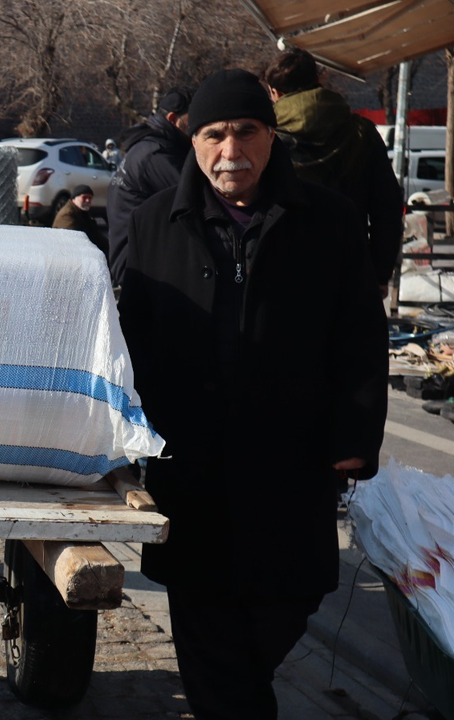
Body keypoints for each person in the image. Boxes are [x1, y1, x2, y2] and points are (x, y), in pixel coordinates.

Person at [117, 68, 387, 720]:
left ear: (270, 136)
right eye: (213, 134)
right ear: (194, 141)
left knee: (285, 604)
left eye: (244, 132)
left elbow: (359, 334)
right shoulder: (157, 221)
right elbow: (131, 336)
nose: (229, 149)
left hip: (291, 461)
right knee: (210, 638)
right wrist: (125, 437)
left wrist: (354, 437)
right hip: (193, 465)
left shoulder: (327, 220)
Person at [263, 47, 403, 295]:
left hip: (279, 266)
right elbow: (387, 209)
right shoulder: (362, 131)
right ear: (318, 81)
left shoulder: (266, 138)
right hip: (348, 266)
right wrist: (380, 273)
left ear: (274, 92)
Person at [106, 85, 194, 287]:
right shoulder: (156, 155)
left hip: (136, 261)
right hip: (140, 267)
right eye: (193, 121)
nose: (197, 128)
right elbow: (196, 198)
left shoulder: (146, 146)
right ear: (173, 119)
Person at [51, 184, 107, 255]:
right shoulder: (67, 214)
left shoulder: (82, 212)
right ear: (74, 199)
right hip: (65, 253)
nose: (87, 200)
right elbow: (73, 239)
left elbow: (96, 235)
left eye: (90, 198)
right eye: (84, 197)